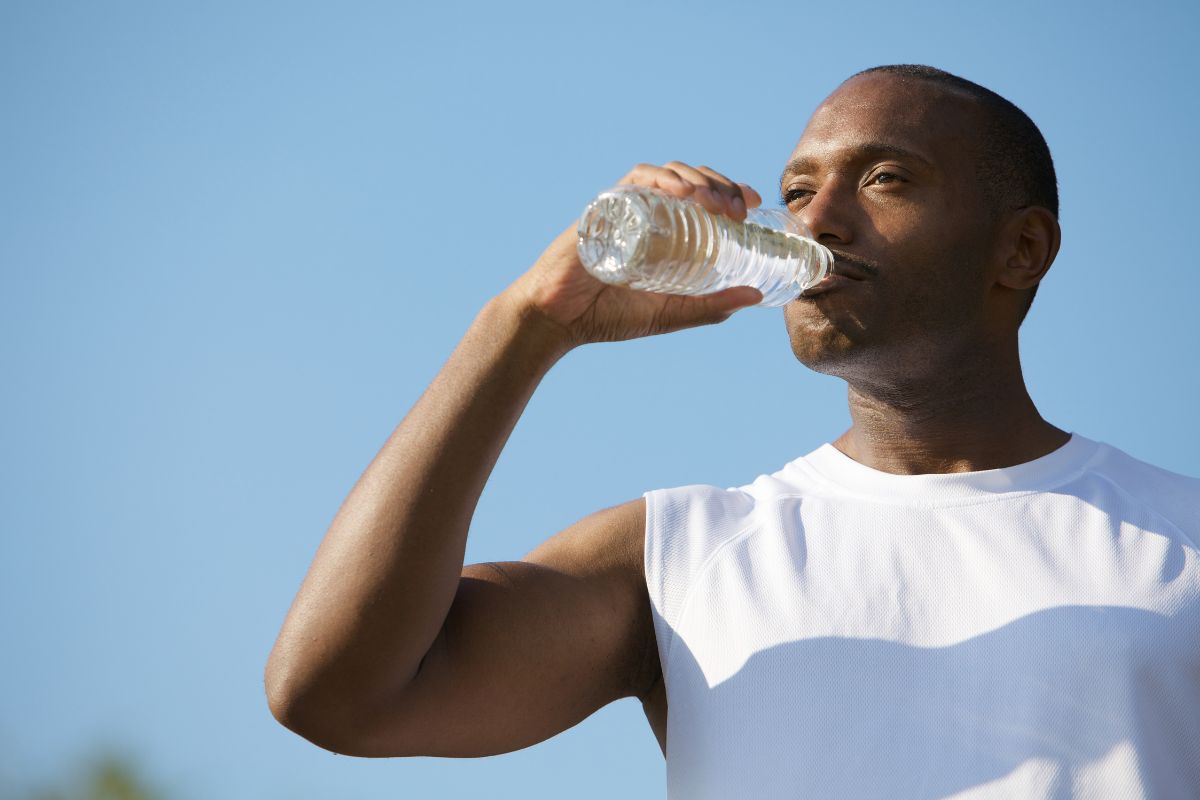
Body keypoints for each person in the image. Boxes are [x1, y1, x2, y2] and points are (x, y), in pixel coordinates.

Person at [265, 65, 1200, 798]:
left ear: (1022, 248)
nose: (819, 220)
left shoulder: (1180, 544)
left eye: (883, 178)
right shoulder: (679, 556)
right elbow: (337, 694)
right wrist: (527, 325)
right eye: (796, 191)